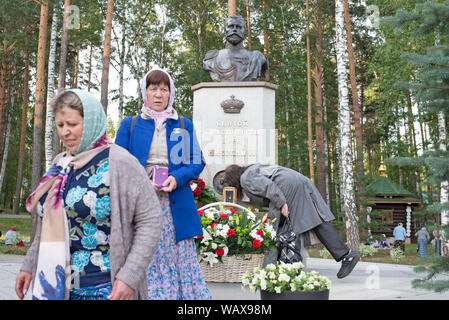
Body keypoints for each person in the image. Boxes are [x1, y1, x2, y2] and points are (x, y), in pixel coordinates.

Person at [15, 89, 163, 300]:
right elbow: (47, 222)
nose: (65, 132)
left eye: (72, 124)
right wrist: (29, 265)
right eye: (60, 125)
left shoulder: (120, 162)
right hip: (59, 286)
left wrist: (129, 277)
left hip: (105, 289)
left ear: (92, 121)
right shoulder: (60, 164)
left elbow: (151, 219)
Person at [115, 67, 211, 300]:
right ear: (145, 92)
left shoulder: (182, 125)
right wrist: (142, 182)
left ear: (171, 93)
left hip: (175, 204)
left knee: (178, 259)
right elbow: (116, 162)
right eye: (153, 88)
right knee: (146, 254)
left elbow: (196, 162)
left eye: (164, 89)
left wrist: (176, 178)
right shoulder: (131, 124)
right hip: (141, 203)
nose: (158, 94)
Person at [218, 163, 361, 279]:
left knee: (282, 229)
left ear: (233, 179)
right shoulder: (253, 169)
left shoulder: (246, 178)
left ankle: (285, 269)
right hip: (298, 181)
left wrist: (282, 203)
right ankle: (346, 255)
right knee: (314, 221)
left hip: (286, 187)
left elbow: (269, 187)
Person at [203, 15, 268, 81]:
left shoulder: (256, 57)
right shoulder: (212, 57)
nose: (234, 29)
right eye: (230, 26)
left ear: (245, 33)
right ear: (225, 32)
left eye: (239, 27)